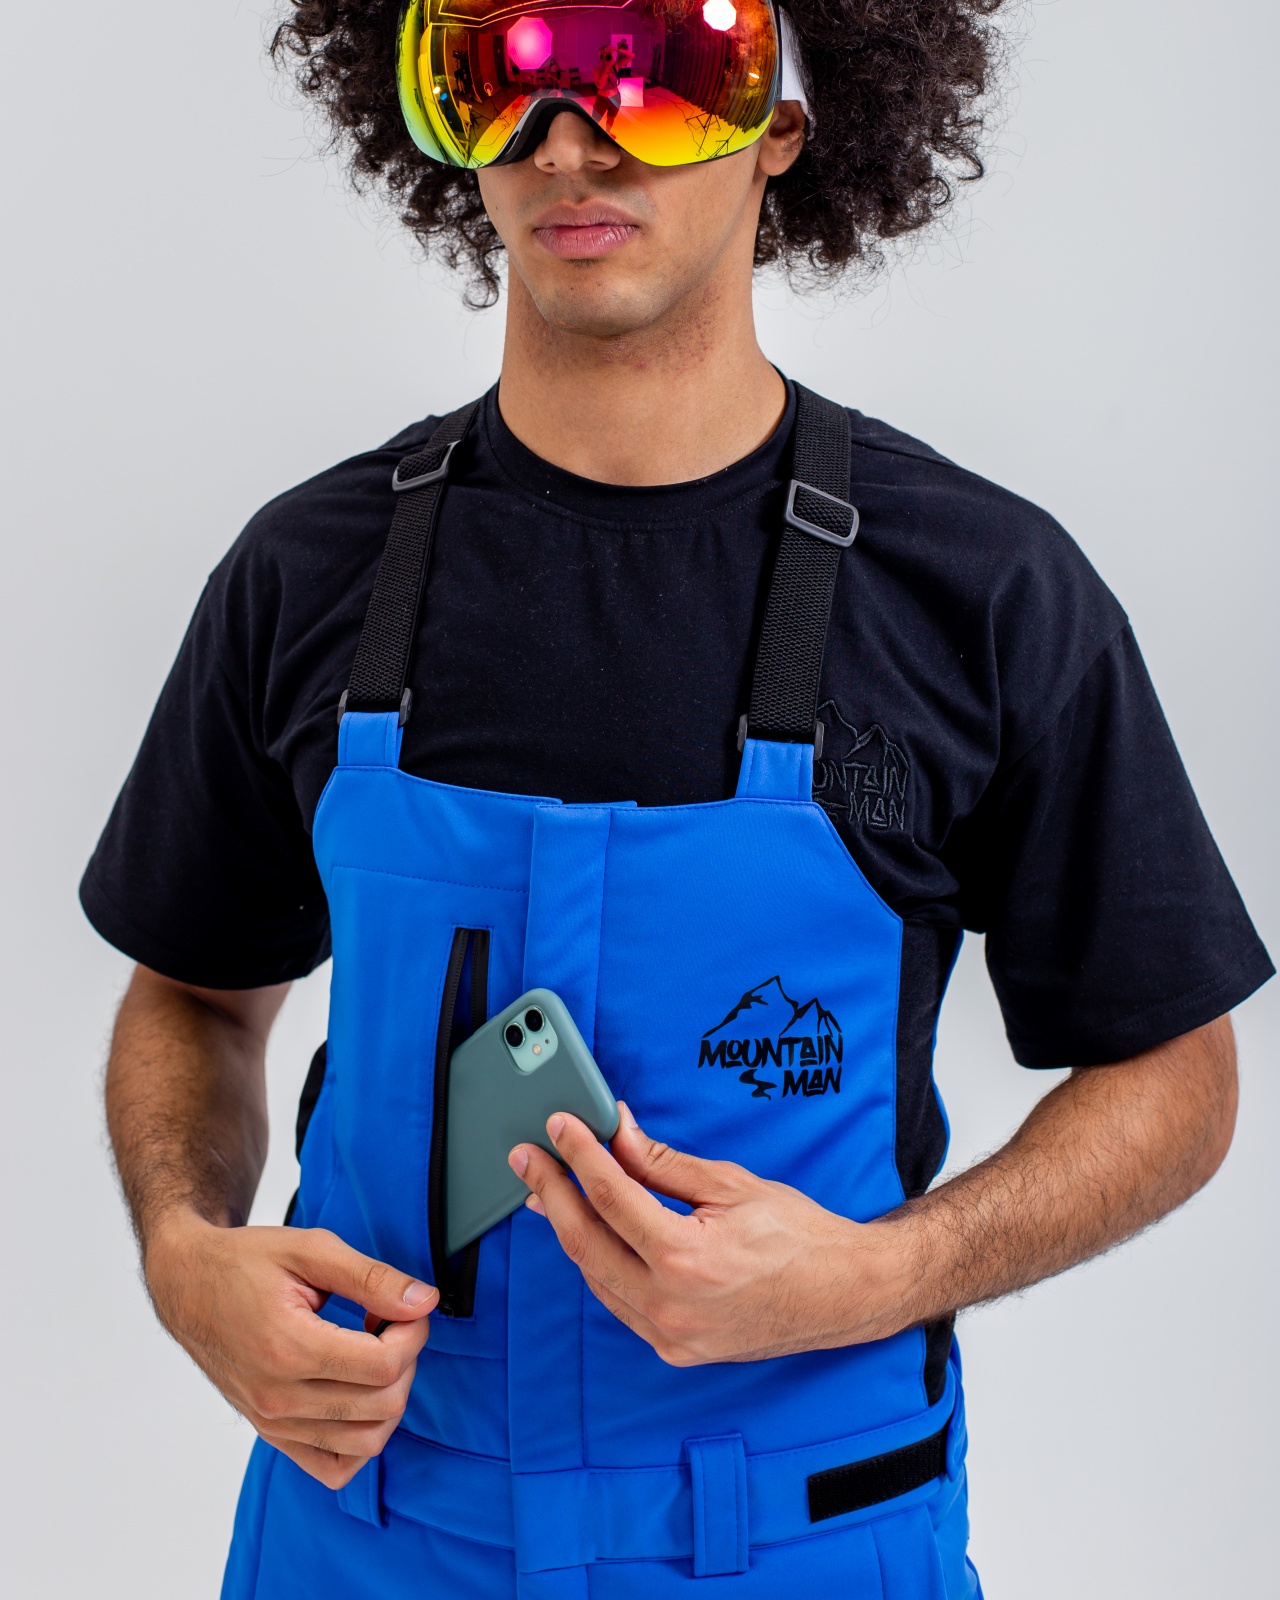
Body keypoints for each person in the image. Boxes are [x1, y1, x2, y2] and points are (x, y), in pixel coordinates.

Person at [82, 0, 1272, 1595]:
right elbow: (193, 995)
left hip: (806, 1543)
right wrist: (182, 1255)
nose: (572, 142)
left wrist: (880, 1276)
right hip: (365, 1535)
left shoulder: (983, 594)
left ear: (783, 122)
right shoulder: (310, 574)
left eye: (658, 70)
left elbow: (1177, 1073)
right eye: (501, 69)